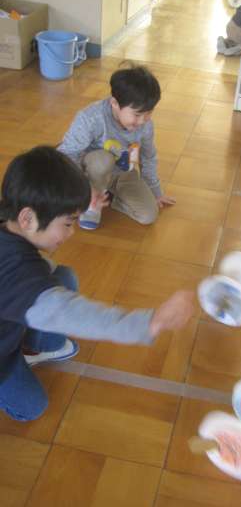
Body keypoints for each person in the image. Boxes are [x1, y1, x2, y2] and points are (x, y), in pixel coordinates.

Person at [0, 146, 194, 422]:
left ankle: (31, 347)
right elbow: (75, 314)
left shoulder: (9, 216)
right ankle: (18, 353)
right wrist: (151, 323)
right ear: (27, 218)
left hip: (11, 318)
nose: (71, 232)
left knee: (62, 276)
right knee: (32, 407)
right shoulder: (17, 276)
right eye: (68, 223)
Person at [58, 65, 175, 231]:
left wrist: (155, 191)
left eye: (149, 112)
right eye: (137, 114)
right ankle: (90, 205)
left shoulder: (146, 125)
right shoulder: (91, 118)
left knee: (149, 215)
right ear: (114, 103)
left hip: (123, 173)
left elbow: (148, 157)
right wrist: (85, 189)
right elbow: (66, 154)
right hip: (89, 174)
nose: (143, 120)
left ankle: (109, 195)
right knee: (103, 160)